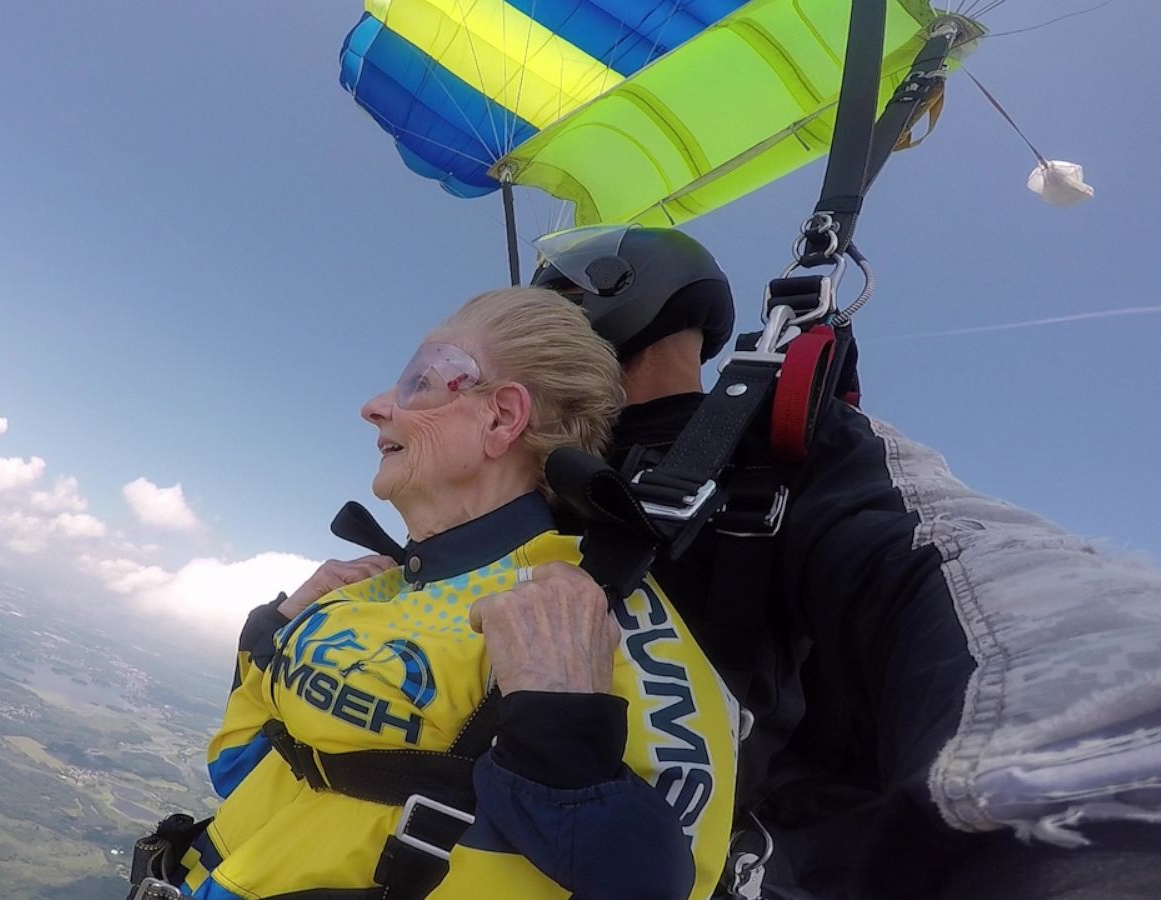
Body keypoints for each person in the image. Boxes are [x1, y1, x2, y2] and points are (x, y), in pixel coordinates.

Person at [530, 225, 1161, 900]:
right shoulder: (524, 481)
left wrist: (1124, 780)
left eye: (543, 313)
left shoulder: (781, 441)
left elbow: (946, 566)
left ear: (610, 299)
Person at [151, 287, 739, 900]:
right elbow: (236, 769)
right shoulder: (361, 588)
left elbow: (671, 882)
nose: (375, 406)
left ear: (502, 417)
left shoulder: (587, 613)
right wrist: (268, 633)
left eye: (420, 381)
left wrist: (564, 734)